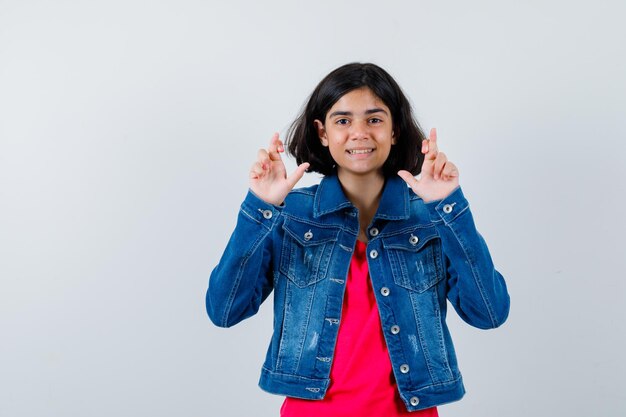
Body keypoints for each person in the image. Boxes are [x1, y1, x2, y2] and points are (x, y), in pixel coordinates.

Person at [206, 62, 510, 416]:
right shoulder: (290, 214)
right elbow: (224, 310)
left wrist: (450, 207)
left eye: (375, 119)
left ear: (395, 129)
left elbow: (489, 313)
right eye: (343, 120)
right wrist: (261, 207)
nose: (360, 133)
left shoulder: (429, 217)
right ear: (322, 132)